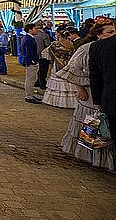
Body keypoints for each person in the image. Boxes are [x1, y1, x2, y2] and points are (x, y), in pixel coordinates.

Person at [59, 20, 115, 170]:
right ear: (98, 34)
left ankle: (102, 158)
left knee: (104, 127)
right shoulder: (87, 48)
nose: (113, 35)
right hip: (89, 92)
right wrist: (79, 87)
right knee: (92, 124)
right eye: (109, 32)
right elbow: (72, 67)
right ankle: (86, 154)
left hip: (103, 91)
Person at [89, 19, 116, 143]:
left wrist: (97, 100)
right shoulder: (97, 46)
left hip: (111, 101)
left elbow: (95, 76)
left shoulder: (97, 46)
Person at [41, 29, 77, 108]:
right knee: (68, 82)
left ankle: (57, 102)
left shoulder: (55, 45)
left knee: (58, 83)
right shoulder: (71, 44)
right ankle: (71, 103)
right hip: (69, 65)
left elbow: (45, 54)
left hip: (57, 66)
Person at [21, 23, 43, 104]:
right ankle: (29, 96)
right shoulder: (28, 39)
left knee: (32, 79)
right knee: (30, 80)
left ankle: (30, 95)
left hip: (30, 61)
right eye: (35, 28)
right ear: (30, 30)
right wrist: (33, 61)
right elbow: (29, 52)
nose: (37, 30)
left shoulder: (28, 38)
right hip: (31, 62)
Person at [34, 20, 52, 90]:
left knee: (38, 69)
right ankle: (42, 83)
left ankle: (37, 82)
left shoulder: (33, 35)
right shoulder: (44, 35)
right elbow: (48, 45)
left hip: (35, 54)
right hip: (43, 55)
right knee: (43, 69)